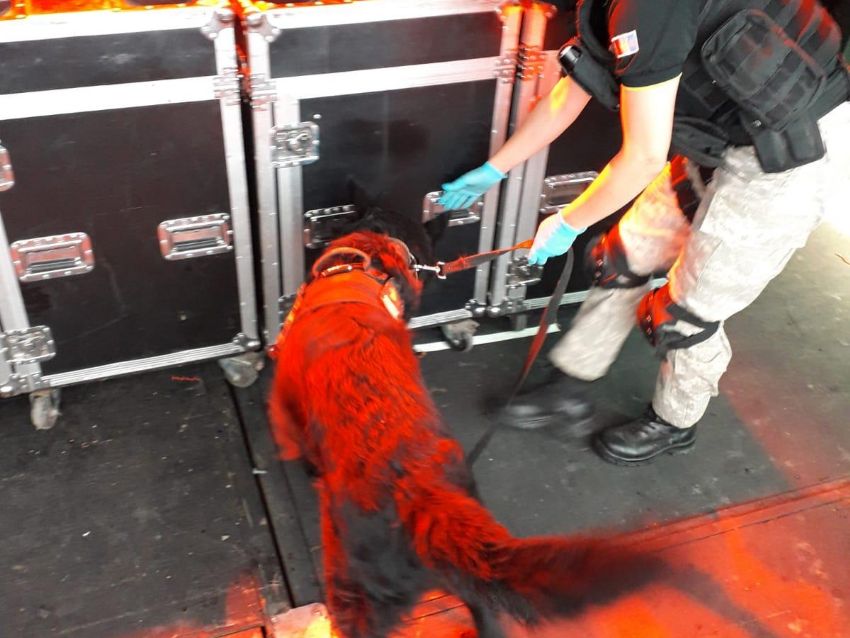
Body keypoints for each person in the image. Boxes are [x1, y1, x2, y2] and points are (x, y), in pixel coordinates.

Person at [439, 0, 850, 466]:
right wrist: (495, 169)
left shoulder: (650, 7)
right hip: (725, 135)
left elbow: (644, 157)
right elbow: (570, 92)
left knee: (686, 317)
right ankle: (568, 391)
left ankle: (674, 422)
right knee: (623, 258)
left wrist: (568, 222)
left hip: (794, 157)